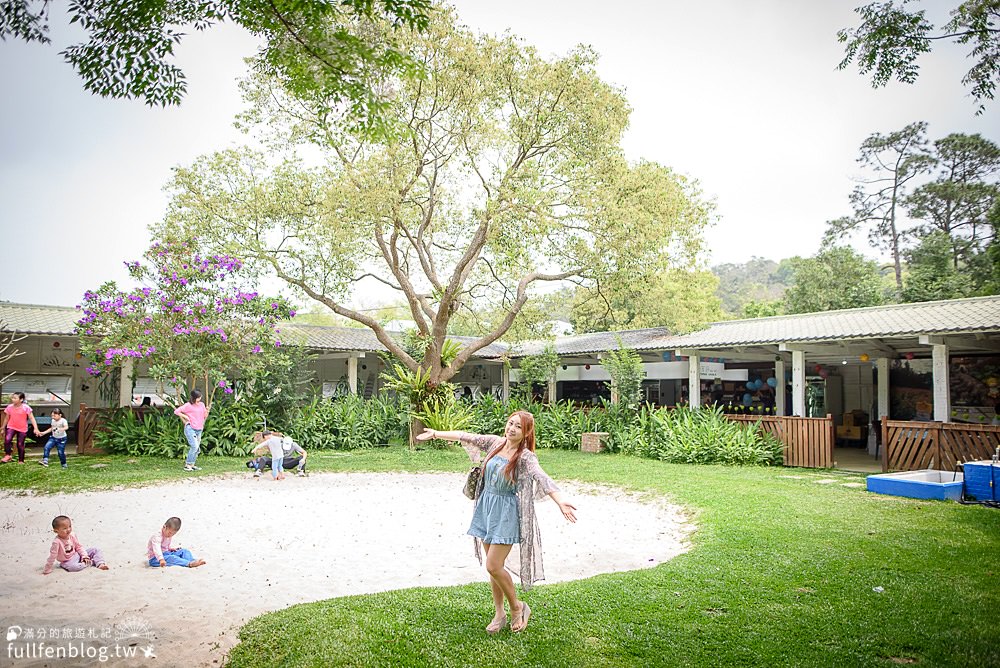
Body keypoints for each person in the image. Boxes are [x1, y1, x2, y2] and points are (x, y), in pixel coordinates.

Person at [416, 412, 577, 634]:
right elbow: (467, 436)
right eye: (510, 423)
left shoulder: (526, 457)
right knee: (494, 569)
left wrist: (560, 501)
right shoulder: (496, 442)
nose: (511, 429)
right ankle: (499, 613)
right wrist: (436, 434)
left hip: (506, 513)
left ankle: (518, 608)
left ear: (526, 432)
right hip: (486, 507)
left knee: (493, 565)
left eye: (518, 427)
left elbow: (542, 477)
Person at [43, 515, 108, 574]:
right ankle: (90, 562)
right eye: (64, 528)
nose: (68, 530)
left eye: (69, 526)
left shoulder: (72, 535)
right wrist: (47, 568)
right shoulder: (57, 542)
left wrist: (84, 555)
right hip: (67, 561)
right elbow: (52, 556)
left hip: (77, 554)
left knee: (96, 550)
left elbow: (78, 547)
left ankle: (100, 564)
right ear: (56, 531)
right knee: (73, 568)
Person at [173, 390, 209, 472]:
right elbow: (176, 411)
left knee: (197, 448)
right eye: (198, 398)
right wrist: (186, 417)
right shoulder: (188, 405)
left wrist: (206, 411)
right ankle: (187, 464)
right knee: (194, 446)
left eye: (200, 397)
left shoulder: (201, 405)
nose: (200, 399)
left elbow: (204, 416)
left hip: (199, 429)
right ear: (194, 398)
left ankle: (192, 464)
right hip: (190, 428)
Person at [2, 391, 41, 463]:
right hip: (11, 426)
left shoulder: (26, 407)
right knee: (7, 439)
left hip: (22, 428)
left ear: (21, 399)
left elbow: (32, 418)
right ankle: (8, 455)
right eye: (12, 398)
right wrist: (3, 427)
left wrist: (36, 428)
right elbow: (6, 418)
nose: (12, 399)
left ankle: (21, 460)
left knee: (20, 444)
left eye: (15, 398)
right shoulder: (9, 407)